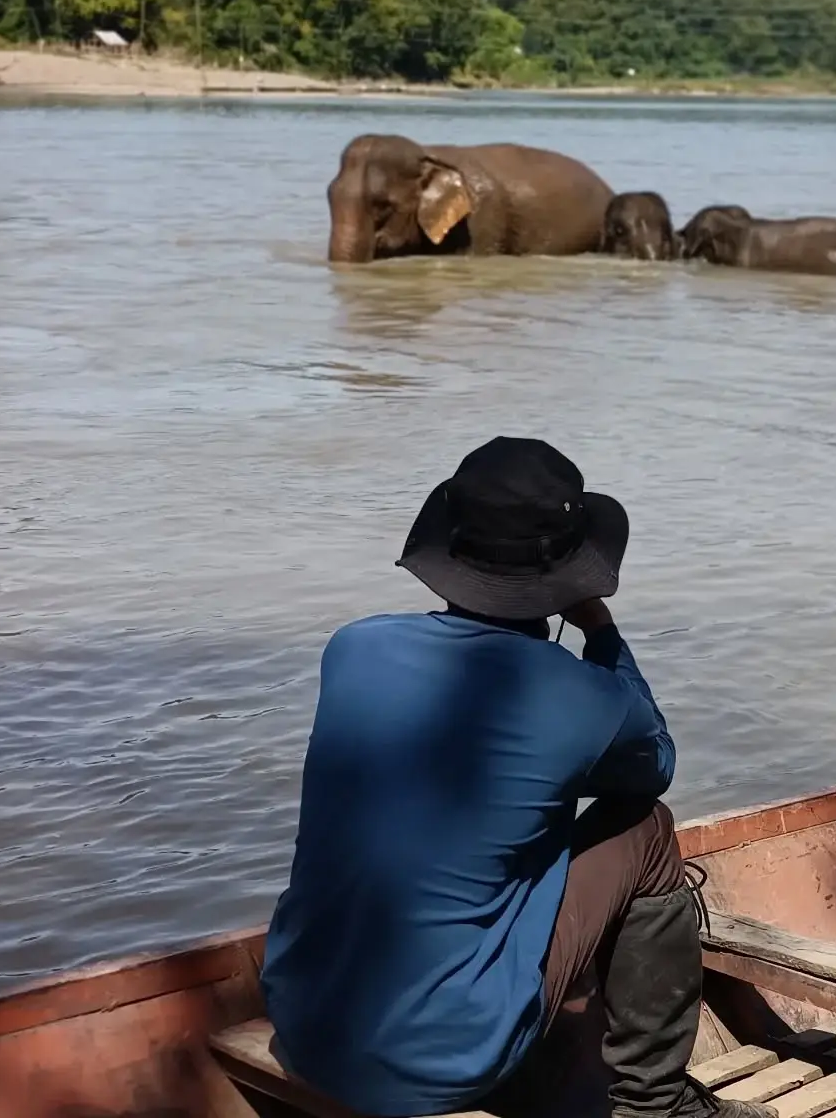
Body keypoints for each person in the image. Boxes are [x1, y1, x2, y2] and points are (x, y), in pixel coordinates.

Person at [260, 437, 776, 1118]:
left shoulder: (353, 646)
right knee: (647, 830)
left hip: (302, 1028)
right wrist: (602, 635)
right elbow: (653, 768)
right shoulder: (582, 695)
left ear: (449, 545)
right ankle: (657, 1103)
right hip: (445, 1061)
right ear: (570, 570)